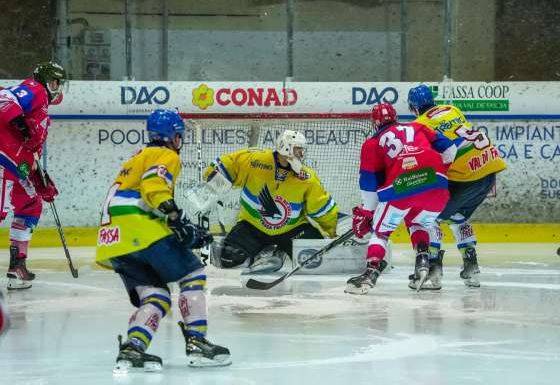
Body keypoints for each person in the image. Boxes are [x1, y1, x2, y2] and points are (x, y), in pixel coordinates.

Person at [96, 109, 230, 371]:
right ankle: (197, 342)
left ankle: (133, 348)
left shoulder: (137, 157)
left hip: (113, 239)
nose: (180, 141)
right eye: (179, 136)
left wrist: (174, 224)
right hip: (140, 231)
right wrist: (174, 215)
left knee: (156, 294)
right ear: (173, 136)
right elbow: (153, 186)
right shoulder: (166, 154)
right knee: (193, 274)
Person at [345, 103, 457, 294]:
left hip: (401, 188)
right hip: (437, 186)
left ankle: (369, 275)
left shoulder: (372, 143)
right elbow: (450, 148)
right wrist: (434, 175)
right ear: (395, 117)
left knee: (381, 232)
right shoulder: (417, 126)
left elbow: (369, 182)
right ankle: (424, 264)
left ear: (375, 122)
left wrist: (368, 212)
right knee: (419, 224)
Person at [408, 84, 507, 288]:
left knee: (429, 219)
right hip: (489, 170)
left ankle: (433, 271)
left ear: (413, 107)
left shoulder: (420, 124)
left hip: (465, 178)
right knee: (459, 218)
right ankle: (471, 267)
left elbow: (431, 158)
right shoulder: (453, 109)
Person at [202, 130, 339, 274]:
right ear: (287, 148)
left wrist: (333, 230)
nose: (302, 154)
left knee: (319, 260)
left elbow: (321, 207)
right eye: (298, 150)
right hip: (252, 227)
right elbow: (229, 163)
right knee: (227, 259)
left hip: (293, 230)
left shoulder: (306, 178)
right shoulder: (255, 161)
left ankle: (279, 252)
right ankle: (268, 253)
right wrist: (216, 175)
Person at [0, 61, 66, 290]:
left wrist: (40, 179)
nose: (59, 88)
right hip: (2, 157)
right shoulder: (35, 89)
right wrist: (20, 124)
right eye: (57, 83)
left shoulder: (43, 112)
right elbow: (3, 99)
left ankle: (17, 266)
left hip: (15, 165)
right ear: (48, 82)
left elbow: (30, 149)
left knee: (30, 204)